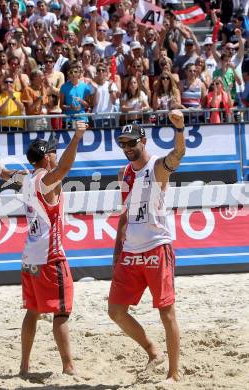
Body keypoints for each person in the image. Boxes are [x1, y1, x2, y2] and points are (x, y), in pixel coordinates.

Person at [0, 120, 87, 376]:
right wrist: (77, 136)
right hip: (50, 257)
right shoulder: (45, 180)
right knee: (61, 311)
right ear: (46, 157)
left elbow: (3, 171)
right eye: (52, 151)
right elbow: (66, 166)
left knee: (33, 311)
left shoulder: (25, 178)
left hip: (29, 256)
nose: (55, 154)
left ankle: (24, 366)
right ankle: (69, 366)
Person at [108, 110, 186, 384]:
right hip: (131, 250)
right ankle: (153, 352)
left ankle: (173, 374)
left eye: (132, 143)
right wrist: (117, 252)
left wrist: (179, 130)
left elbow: (177, 156)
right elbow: (125, 214)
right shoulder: (124, 172)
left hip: (156, 246)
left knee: (166, 312)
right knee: (115, 311)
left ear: (143, 140)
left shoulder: (156, 167)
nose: (127, 148)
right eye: (123, 144)